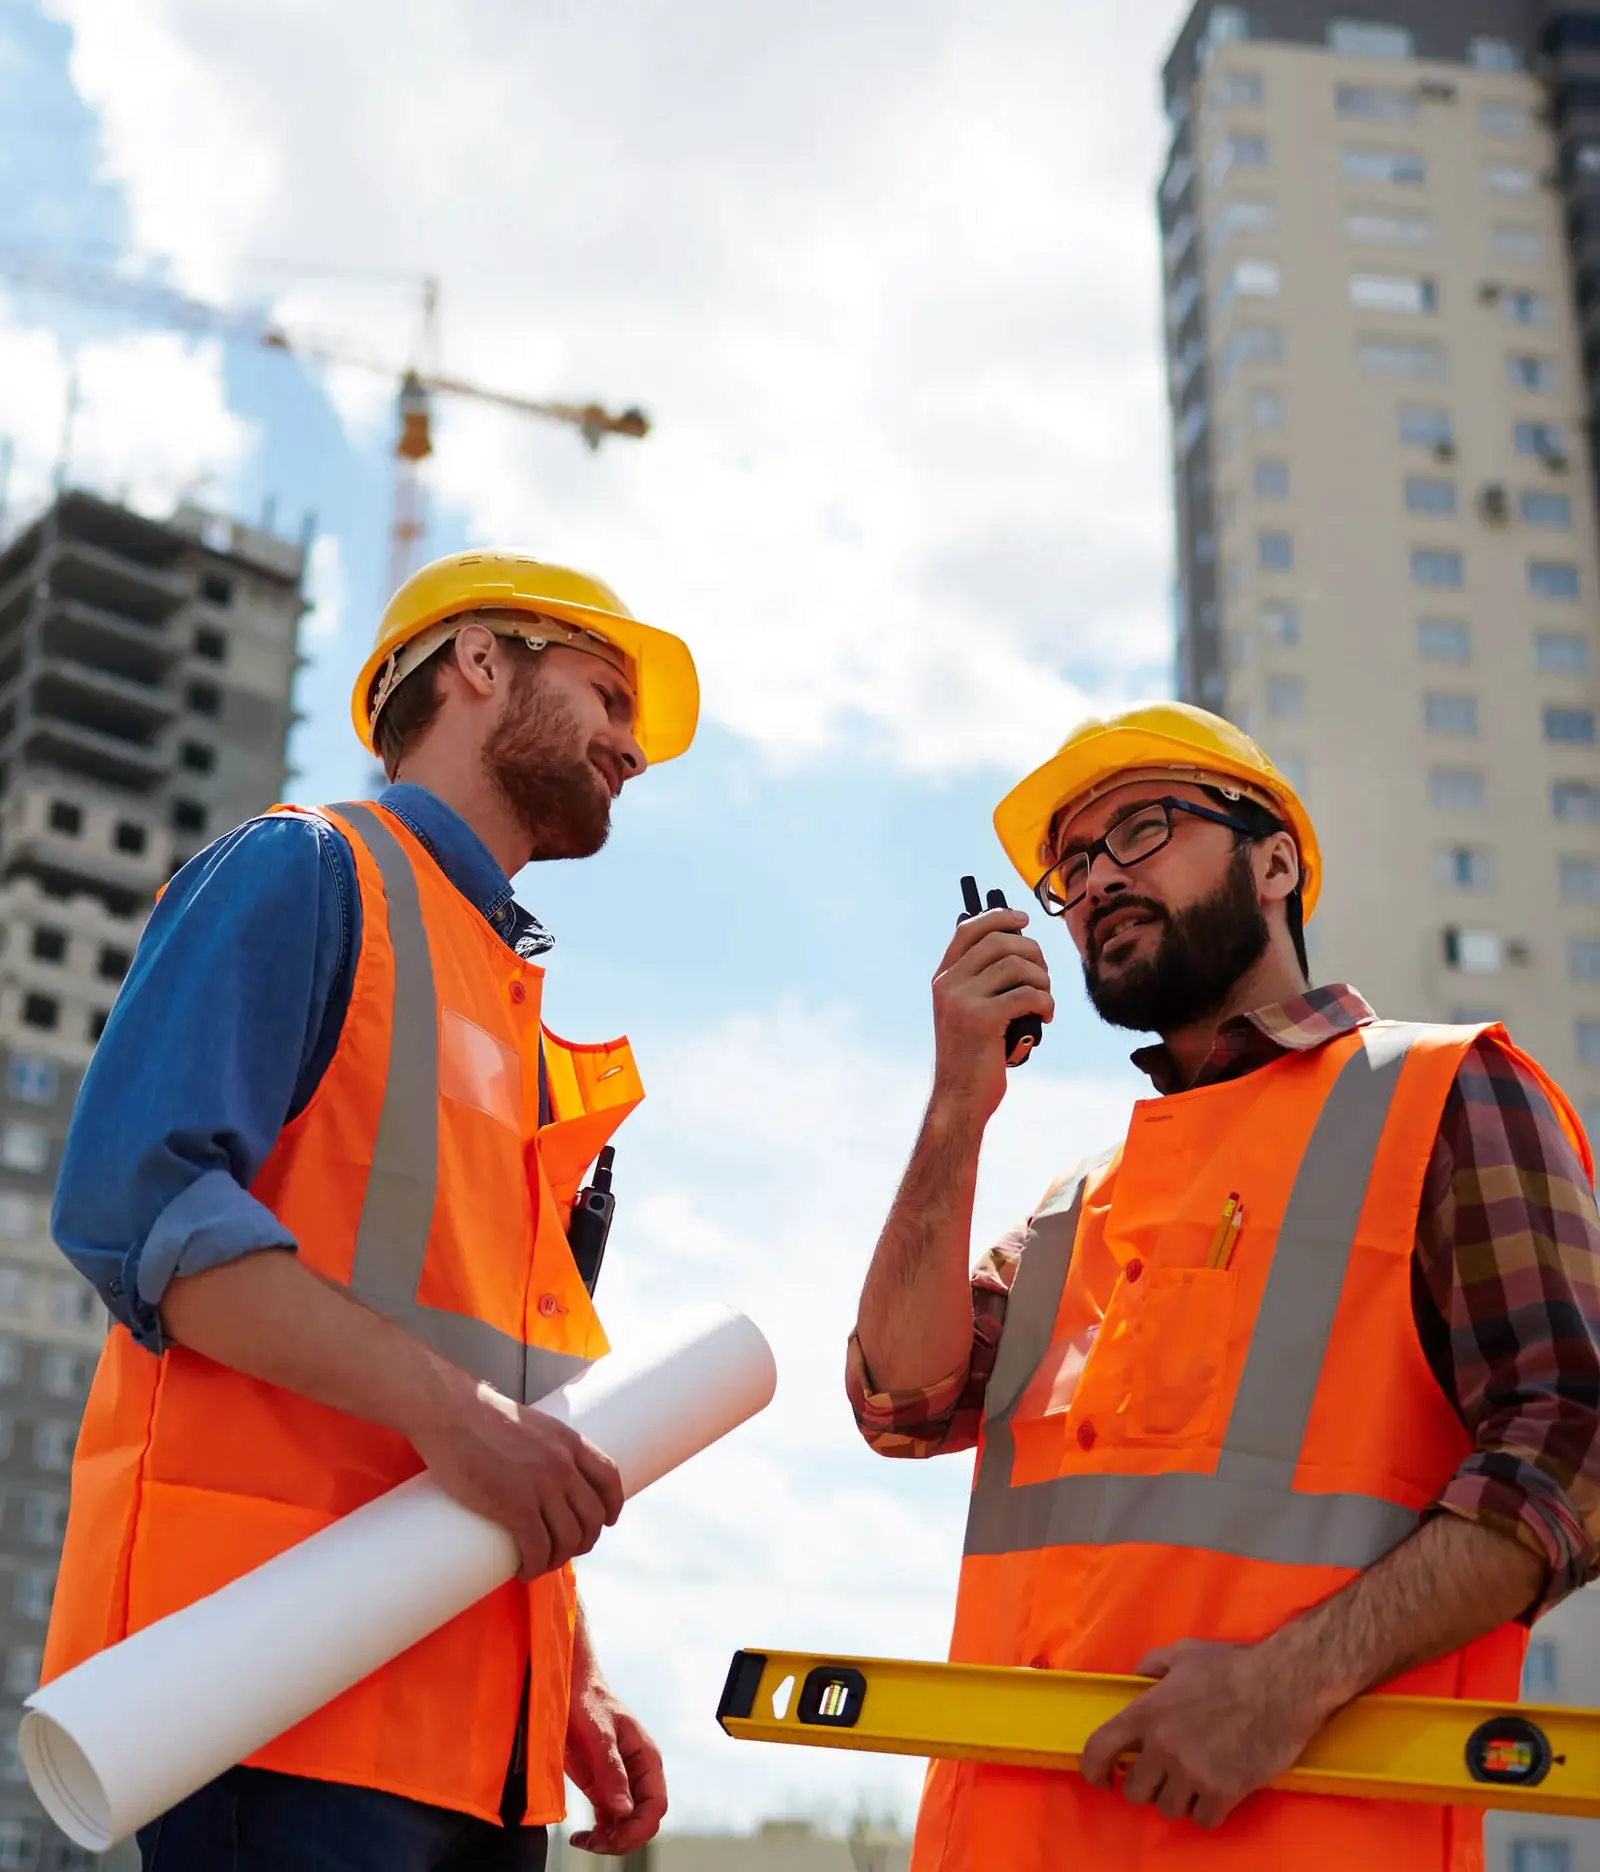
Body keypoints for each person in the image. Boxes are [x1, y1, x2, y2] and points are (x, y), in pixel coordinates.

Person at [849, 702, 1600, 1871]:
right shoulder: (1075, 1207)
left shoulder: (1445, 1093)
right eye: (1073, 865)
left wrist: (1284, 1687)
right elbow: (898, 1401)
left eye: (1140, 828)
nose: (1095, 879)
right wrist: (957, 1107)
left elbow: (1572, 1444)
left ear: (1275, 863)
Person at [43, 552, 701, 1871]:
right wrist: (460, 1423)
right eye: (604, 692)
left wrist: (565, 1669)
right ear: (478, 664)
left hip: (480, 1745)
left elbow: (511, 1404)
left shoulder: (513, 1019)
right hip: (276, 1696)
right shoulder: (308, 873)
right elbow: (142, 1212)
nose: (632, 747)